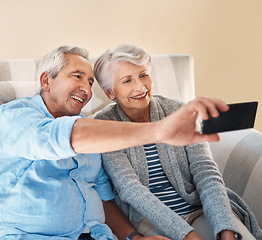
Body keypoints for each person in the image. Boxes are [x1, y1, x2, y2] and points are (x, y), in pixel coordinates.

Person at [0, 45, 230, 240]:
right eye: (77, 76)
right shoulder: (14, 116)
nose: (86, 89)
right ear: (46, 81)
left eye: (90, 82)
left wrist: (133, 237)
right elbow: (61, 136)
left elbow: (104, 199)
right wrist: (158, 131)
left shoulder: (91, 130)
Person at [93, 43, 262, 240]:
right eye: (127, 80)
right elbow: (129, 189)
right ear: (110, 93)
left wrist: (226, 228)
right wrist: (186, 235)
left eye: (143, 75)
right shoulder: (105, 126)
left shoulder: (180, 111)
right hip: (150, 219)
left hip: (200, 209)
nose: (140, 87)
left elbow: (206, 171)